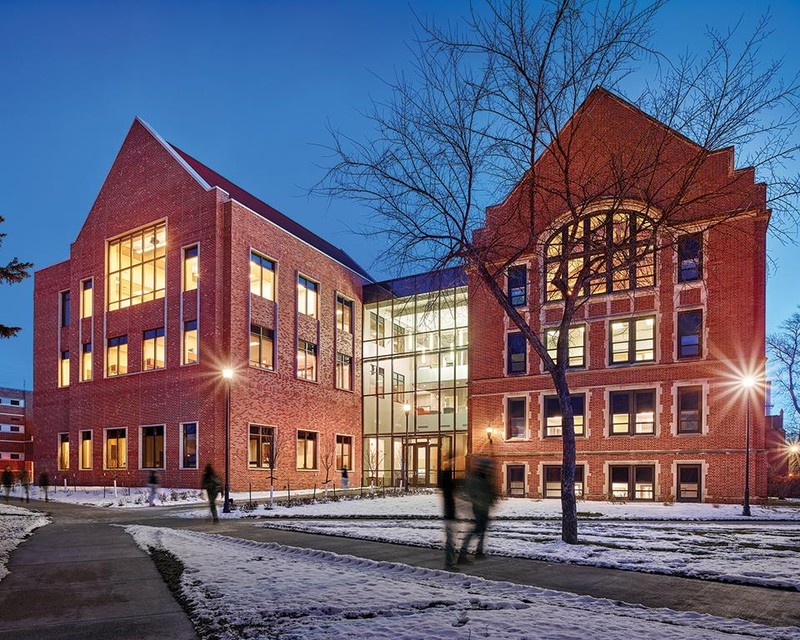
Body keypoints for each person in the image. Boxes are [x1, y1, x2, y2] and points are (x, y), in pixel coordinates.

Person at [458, 457, 497, 563]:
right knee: (476, 531)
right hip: (479, 508)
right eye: (486, 467)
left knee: (482, 531)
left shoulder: (484, 477)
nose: (488, 469)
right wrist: (479, 500)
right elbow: (469, 493)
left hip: (484, 507)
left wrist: (492, 498)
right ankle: (462, 554)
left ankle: (478, 552)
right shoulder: (475, 478)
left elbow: (488, 491)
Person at [437, 457, 458, 569]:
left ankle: (450, 562)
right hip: (449, 515)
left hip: (449, 514)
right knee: (450, 540)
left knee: (451, 539)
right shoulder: (448, 486)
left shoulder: (447, 486)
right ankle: (449, 563)